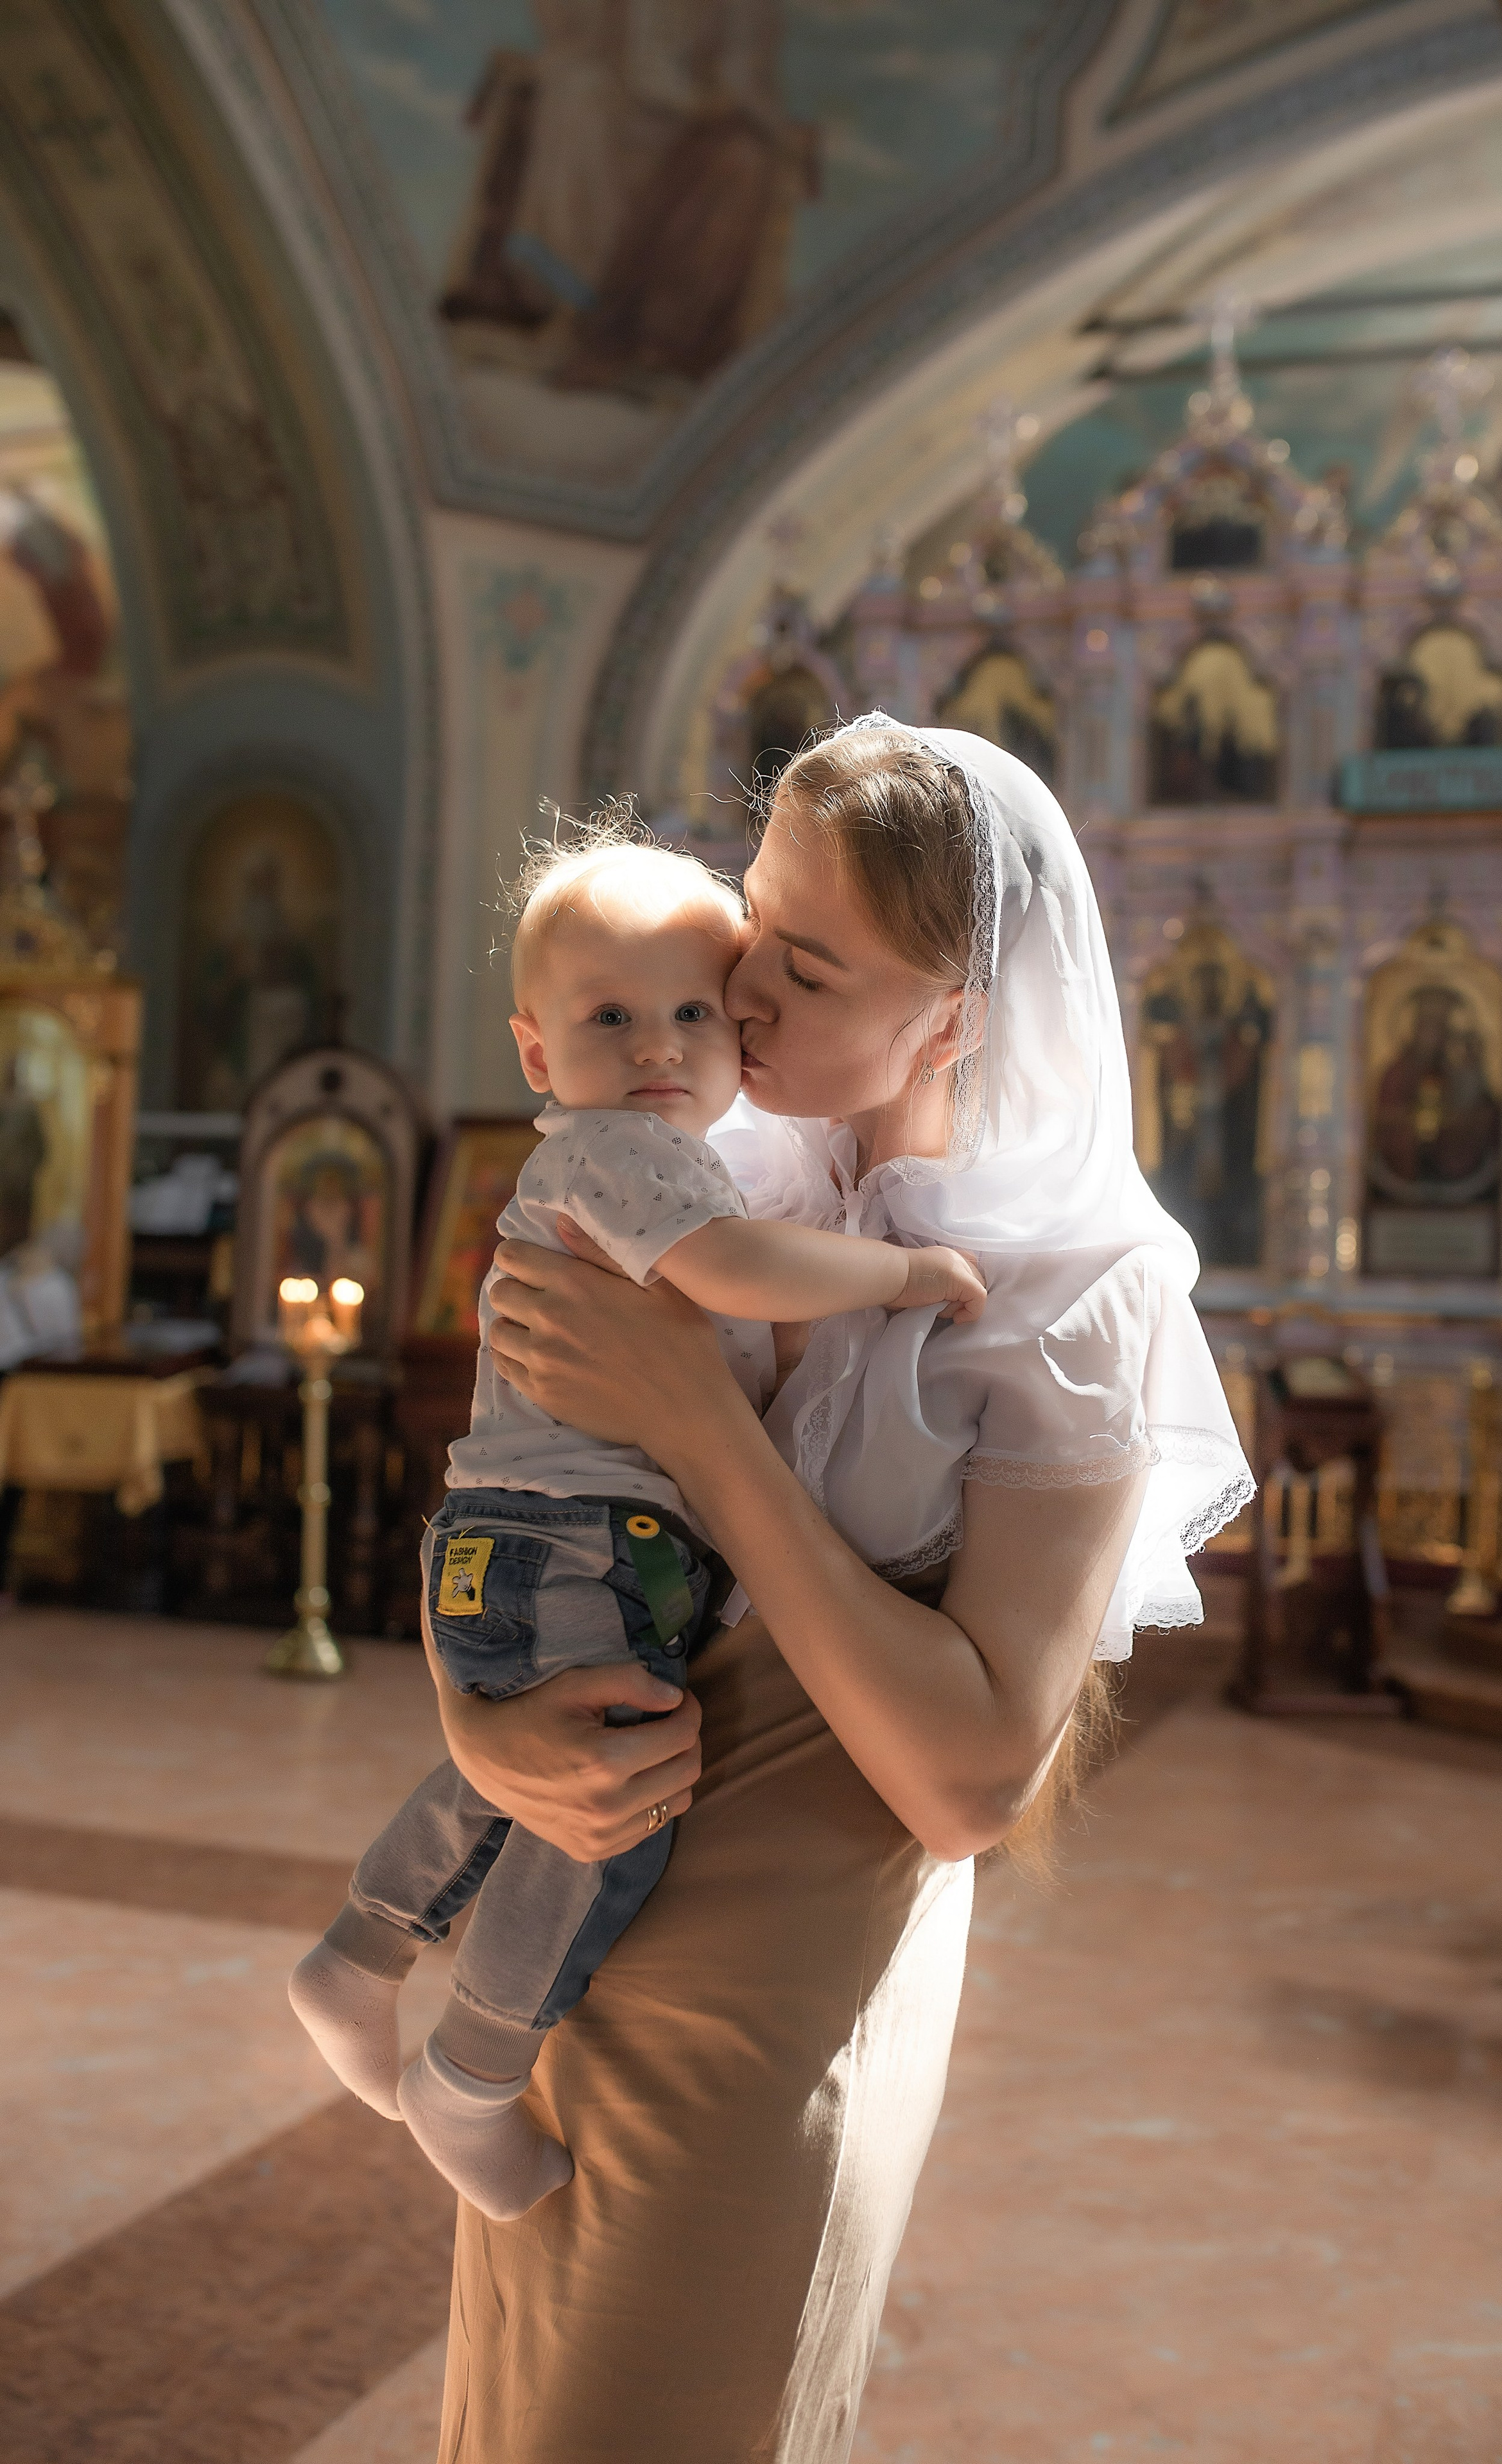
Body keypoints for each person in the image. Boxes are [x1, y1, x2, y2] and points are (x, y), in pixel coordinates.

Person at [423, 719, 1252, 2463]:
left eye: (801, 968)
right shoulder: (699, 1181)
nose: (736, 991)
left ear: (954, 1017)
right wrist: (485, 1729)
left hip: (785, 1983)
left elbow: (969, 1781)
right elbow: (519, 1505)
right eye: (746, 930)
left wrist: (694, 1425)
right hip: (582, 1919)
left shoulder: (1068, 1295)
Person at [287, 831, 982, 2221]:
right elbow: (731, 1273)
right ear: (539, 1056)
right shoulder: (623, 1157)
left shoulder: (645, 1156)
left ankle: (359, 1953)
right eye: (613, 1018)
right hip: (577, 1543)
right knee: (606, 1811)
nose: (664, 1046)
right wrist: (907, 1269)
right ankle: (471, 2075)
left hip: (531, 1537)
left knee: (530, 1770)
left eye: (693, 1013)